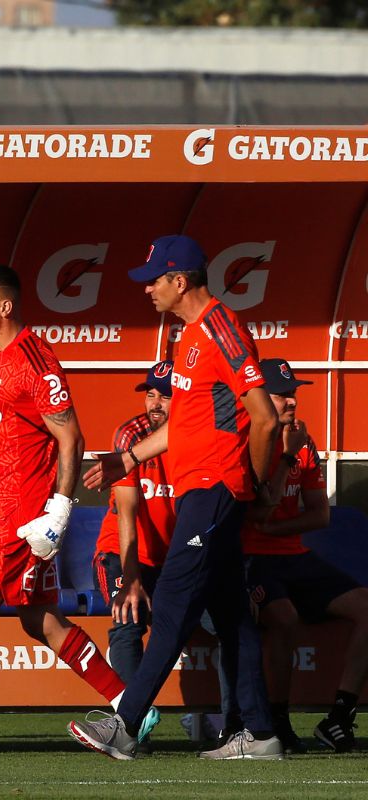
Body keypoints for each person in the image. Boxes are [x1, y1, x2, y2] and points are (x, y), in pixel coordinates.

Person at [0, 264, 157, 760]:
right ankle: (132, 705)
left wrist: (58, 513)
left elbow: (71, 437)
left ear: (5, 307)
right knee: (39, 618)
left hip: (21, 518)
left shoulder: (35, 362)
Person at [68, 234, 283, 760]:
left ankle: (124, 724)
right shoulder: (187, 336)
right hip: (202, 491)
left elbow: (266, 417)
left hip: (213, 490)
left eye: (153, 281)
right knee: (232, 615)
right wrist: (131, 457)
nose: (148, 290)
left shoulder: (221, 328)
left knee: (169, 607)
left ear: (179, 281)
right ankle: (260, 734)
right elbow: (186, 426)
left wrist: (253, 485)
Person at [243, 357, 368, 753]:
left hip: (293, 556)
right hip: (250, 559)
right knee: (285, 619)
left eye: (293, 395)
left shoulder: (304, 441)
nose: (292, 403)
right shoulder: (247, 439)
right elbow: (261, 504)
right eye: (282, 396)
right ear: (260, 399)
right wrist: (284, 457)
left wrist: (272, 528)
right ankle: (279, 721)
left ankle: (339, 717)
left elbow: (319, 514)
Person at [92, 361, 175, 687]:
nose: (154, 404)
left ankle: (227, 722)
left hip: (171, 557)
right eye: (150, 394)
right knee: (128, 617)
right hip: (124, 552)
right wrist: (130, 577)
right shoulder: (131, 435)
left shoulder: (196, 436)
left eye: (164, 396)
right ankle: (129, 721)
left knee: (222, 621)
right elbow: (126, 510)